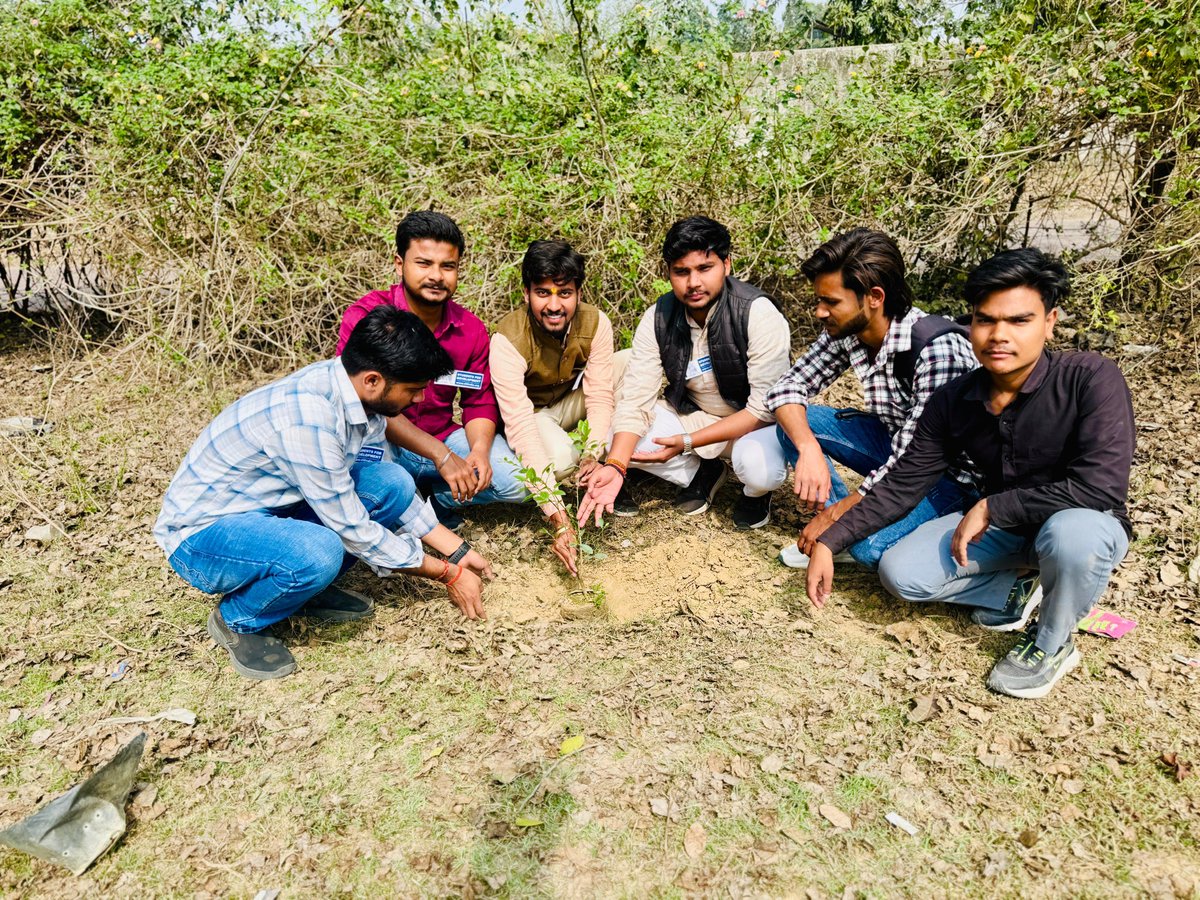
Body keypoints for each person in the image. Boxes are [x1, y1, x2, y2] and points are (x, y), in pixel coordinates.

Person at [806, 249, 1134, 699]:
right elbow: (904, 481)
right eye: (986, 320)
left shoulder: (1090, 378)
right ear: (972, 324)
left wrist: (994, 505)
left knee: (1071, 535)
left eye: (1019, 321)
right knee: (901, 573)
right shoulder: (954, 399)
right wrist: (830, 540)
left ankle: (1052, 642)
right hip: (1006, 532)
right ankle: (1016, 589)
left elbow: (1101, 487)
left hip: (1081, 523)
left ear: (1049, 321)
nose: (999, 336)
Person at [156, 307, 495, 681]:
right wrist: (447, 574)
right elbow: (353, 529)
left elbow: (387, 495)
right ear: (372, 380)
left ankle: (301, 593)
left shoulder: (353, 394)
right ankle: (238, 618)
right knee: (319, 553)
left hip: (265, 511)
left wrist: (458, 550)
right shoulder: (308, 420)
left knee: (390, 480)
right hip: (203, 536)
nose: (418, 401)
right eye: (413, 390)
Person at [741, 228, 981, 569]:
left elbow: (914, 463)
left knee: (867, 548)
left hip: (944, 474)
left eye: (831, 302)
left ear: (875, 296)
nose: (819, 312)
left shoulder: (936, 351)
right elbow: (786, 389)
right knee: (796, 423)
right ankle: (839, 533)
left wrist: (839, 517)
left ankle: (867, 532)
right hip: (897, 445)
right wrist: (808, 448)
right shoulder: (850, 331)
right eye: (819, 300)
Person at [578, 216, 791, 529]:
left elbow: (764, 407)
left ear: (727, 265)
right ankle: (703, 472)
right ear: (668, 274)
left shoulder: (757, 313)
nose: (693, 283)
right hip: (693, 414)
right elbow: (636, 399)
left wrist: (690, 441)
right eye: (682, 272)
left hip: (751, 424)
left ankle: (755, 493)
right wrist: (616, 466)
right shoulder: (658, 317)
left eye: (705, 268)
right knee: (619, 435)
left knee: (761, 469)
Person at [336, 210, 525, 530]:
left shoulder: (471, 329)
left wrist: (478, 450)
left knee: (517, 483)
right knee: (371, 487)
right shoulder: (366, 317)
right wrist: (442, 457)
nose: (436, 275)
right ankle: (404, 499)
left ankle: (436, 498)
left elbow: (478, 400)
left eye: (447, 266)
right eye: (424, 263)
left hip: (442, 435)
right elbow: (361, 401)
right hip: (377, 438)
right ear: (400, 264)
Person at [490, 240, 630, 574]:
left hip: (568, 401)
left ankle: (611, 467)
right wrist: (558, 517)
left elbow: (598, 396)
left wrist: (594, 453)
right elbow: (521, 427)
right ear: (526, 294)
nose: (554, 305)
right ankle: (577, 470)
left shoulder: (596, 323)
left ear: (578, 294)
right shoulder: (507, 341)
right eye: (543, 293)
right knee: (560, 460)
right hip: (533, 415)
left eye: (564, 293)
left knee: (631, 362)